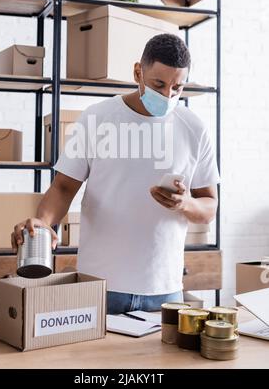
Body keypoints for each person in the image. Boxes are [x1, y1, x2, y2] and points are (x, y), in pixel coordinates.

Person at [12, 33, 219, 314]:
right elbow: (63, 187)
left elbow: (209, 206)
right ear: (138, 72)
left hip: (164, 288)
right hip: (100, 284)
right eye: (159, 84)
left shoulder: (194, 128)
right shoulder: (98, 118)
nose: (168, 96)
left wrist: (185, 203)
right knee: (94, 359)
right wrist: (43, 222)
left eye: (177, 88)